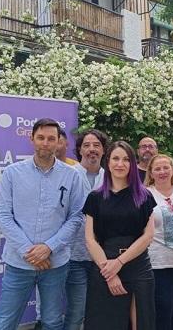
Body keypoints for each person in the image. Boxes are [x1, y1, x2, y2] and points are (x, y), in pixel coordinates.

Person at [0, 118, 84, 330]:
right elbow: (3, 215)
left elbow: (76, 216)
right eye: (41, 138)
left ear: (58, 142)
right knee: (6, 322)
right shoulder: (12, 173)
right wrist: (30, 251)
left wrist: (48, 248)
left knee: (52, 321)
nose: (46, 143)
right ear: (32, 138)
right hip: (19, 263)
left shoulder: (72, 176)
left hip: (55, 264)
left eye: (51, 139)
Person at [83, 141, 157, 330]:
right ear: (107, 163)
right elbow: (90, 239)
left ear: (132, 164)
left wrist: (120, 262)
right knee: (106, 323)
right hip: (104, 265)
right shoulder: (95, 198)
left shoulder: (144, 196)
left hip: (138, 267)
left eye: (126, 159)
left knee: (141, 322)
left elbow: (148, 236)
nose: (120, 164)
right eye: (115, 158)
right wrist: (109, 272)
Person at [63, 129, 109, 330]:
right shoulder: (68, 175)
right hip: (75, 256)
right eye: (87, 145)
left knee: (99, 311)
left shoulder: (110, 177)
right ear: (79, 149)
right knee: (76, 312)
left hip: (103, 258)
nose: (92, 149)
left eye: (96, 145)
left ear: (103, 150)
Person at [144, 154, 173, 330]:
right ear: (151, 172)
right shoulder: (146, 194)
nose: (162, 172)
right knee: (163, 308)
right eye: (157, 168)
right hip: (158, 262)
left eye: (166, 167)